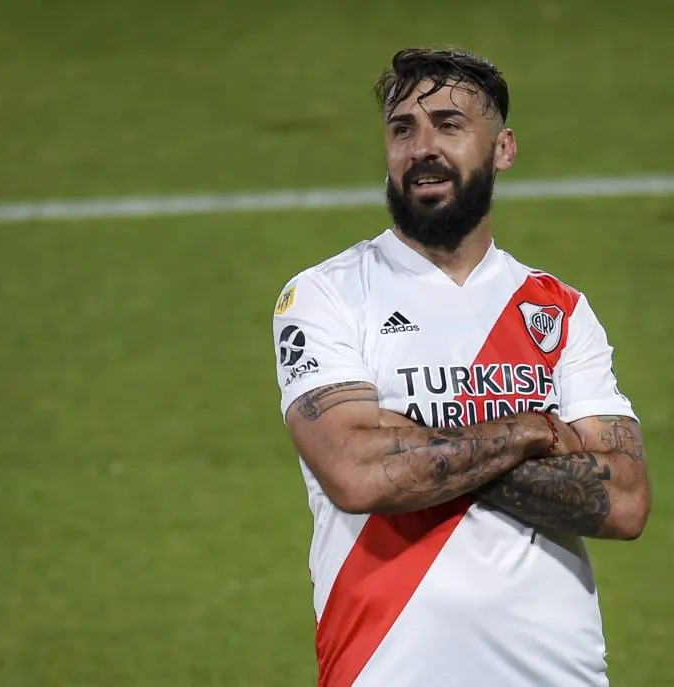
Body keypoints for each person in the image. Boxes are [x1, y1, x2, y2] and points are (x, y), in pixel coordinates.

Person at [272, 47, 651, 687]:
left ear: (502, 148)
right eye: (402, 129)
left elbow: (624, 500)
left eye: (449, 125)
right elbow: (357, 474)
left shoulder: (557, 311)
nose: (422, 147)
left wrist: (409, 444)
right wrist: (529, 433)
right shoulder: (327, 295)